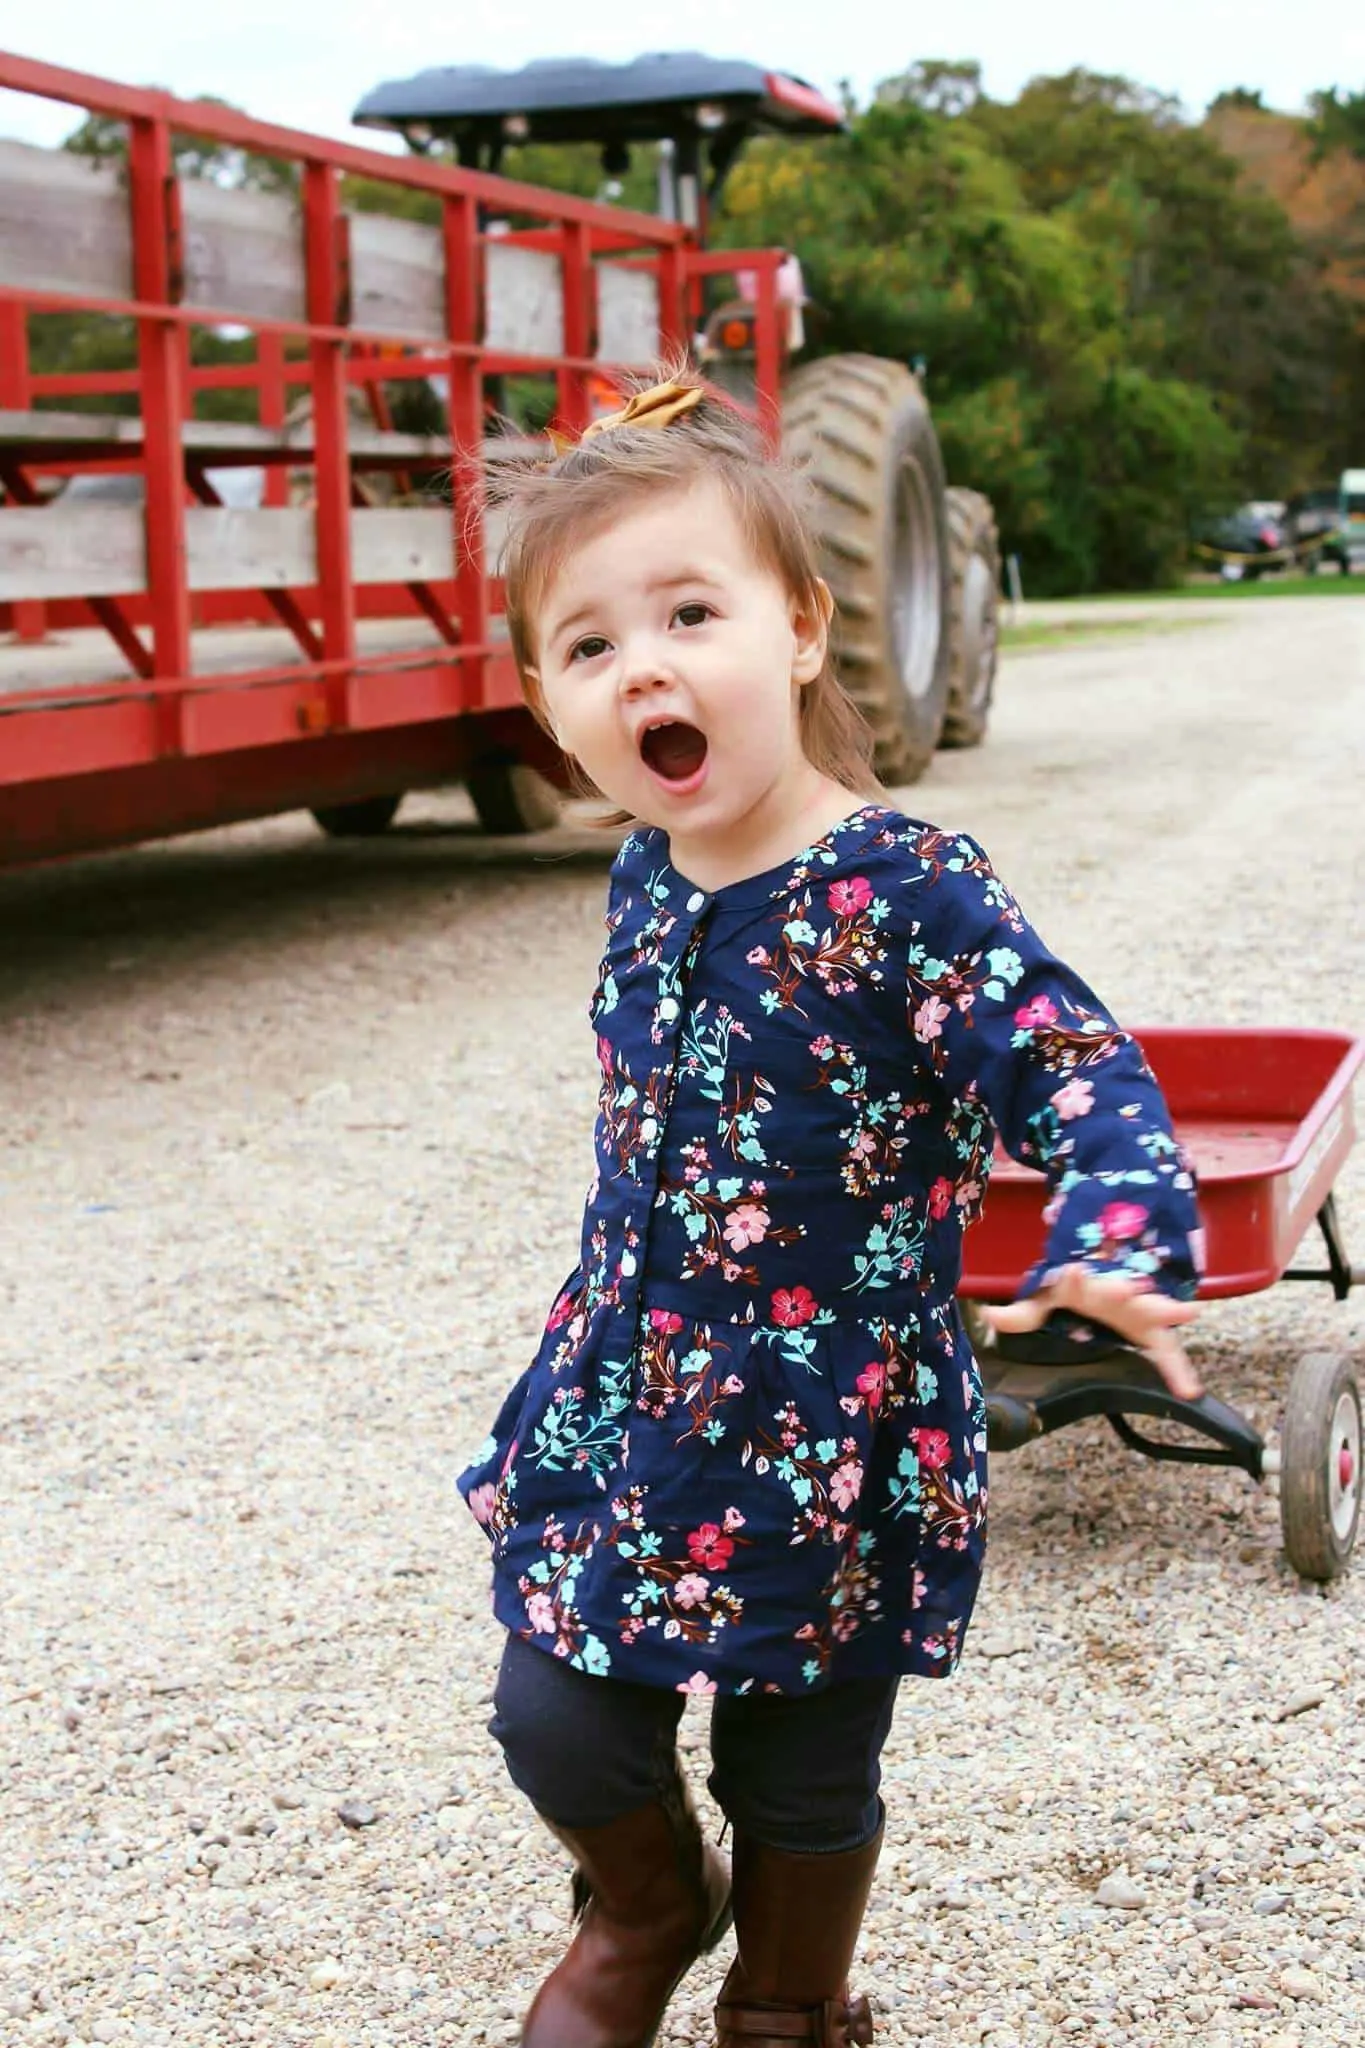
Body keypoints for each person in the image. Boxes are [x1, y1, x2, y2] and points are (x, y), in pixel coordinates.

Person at [457, 368, 1202, 2048]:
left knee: (799, 1766)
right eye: (588, 648)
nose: (641, 664)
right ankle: (650, 1898)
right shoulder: (649, 867)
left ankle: (790, 1999)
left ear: (798, 630)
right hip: (635, 1402)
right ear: (550, 706)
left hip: (829, 1432)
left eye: (689, 613)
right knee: (556, 1718)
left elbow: (1084, 1072)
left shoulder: (907, 891)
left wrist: (1112, 1242)